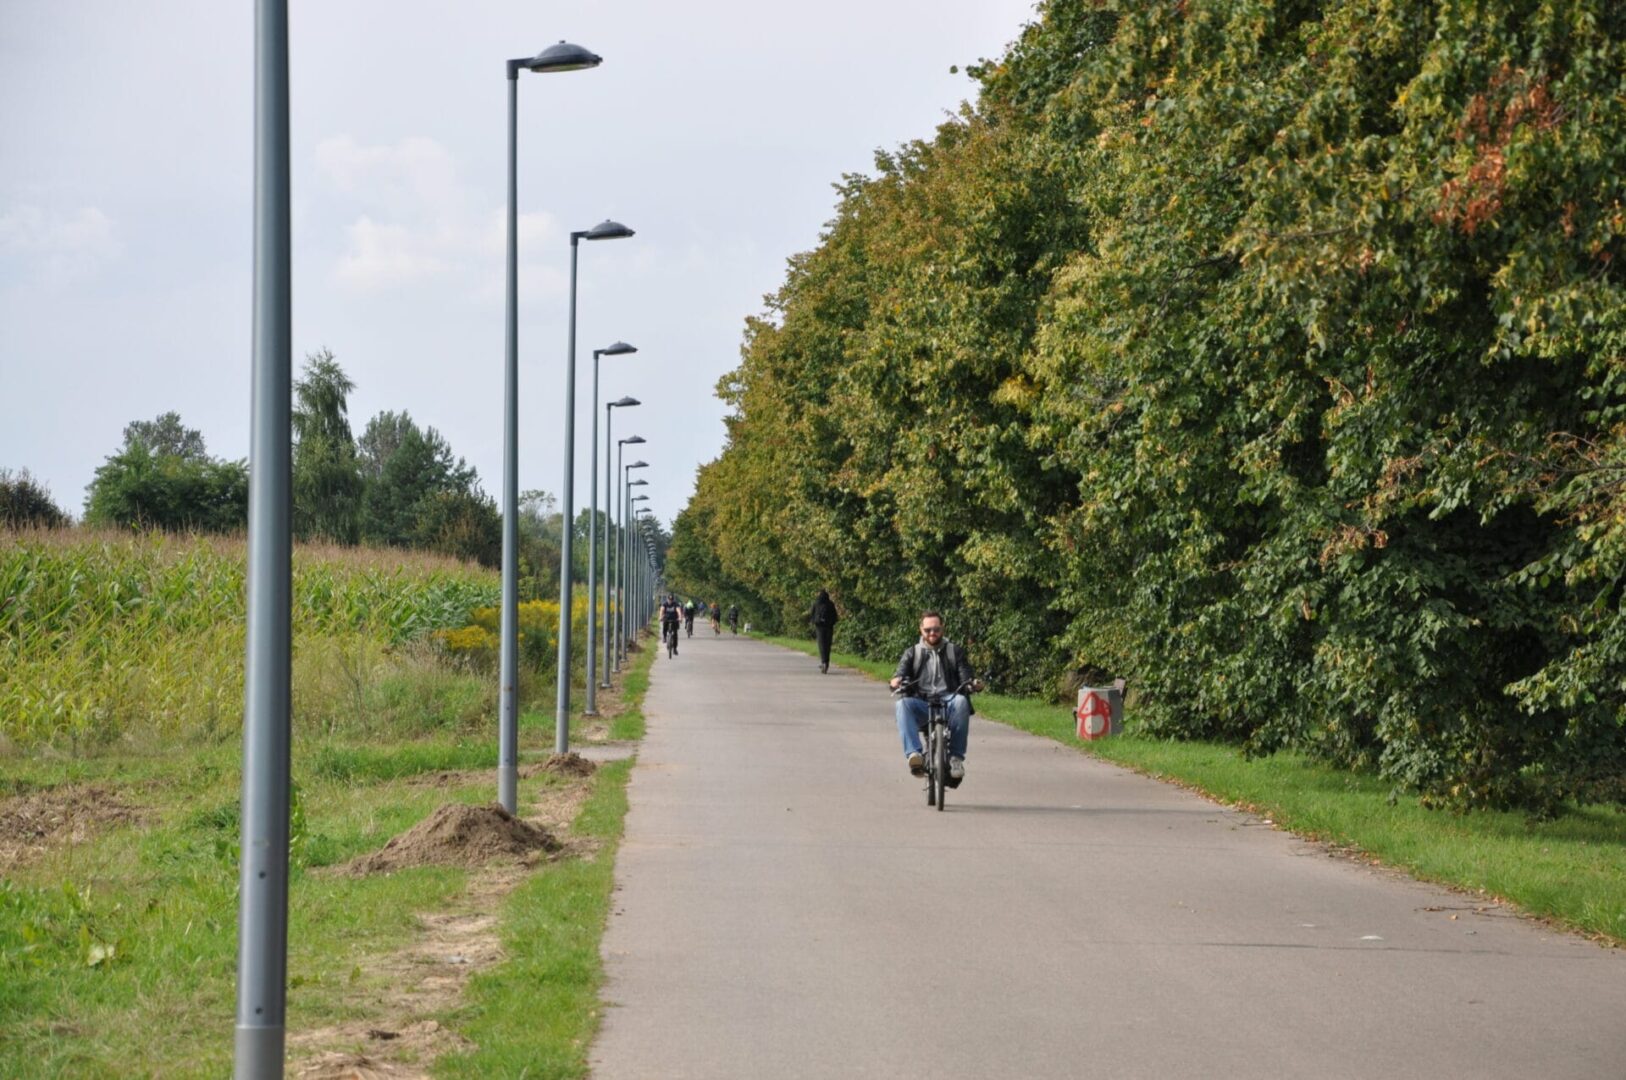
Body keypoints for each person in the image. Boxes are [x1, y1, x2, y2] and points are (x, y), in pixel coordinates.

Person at [888, 611, 978, 783]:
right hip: (922, 703)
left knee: (961, 701)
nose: (932, 633)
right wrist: (896, 681)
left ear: (942, 628)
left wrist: (972, 683)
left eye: (936, 629)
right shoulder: (912, 653)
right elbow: (900, 674)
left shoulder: (954, 651)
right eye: (928, 629)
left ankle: (956, 759)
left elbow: (965, 674)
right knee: (902, 705)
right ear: (921, 630)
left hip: (949, 702)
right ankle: (914, 755)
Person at [809, 589, 838, 673]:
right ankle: (827, 663)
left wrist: (815, 622)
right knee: (828, 645)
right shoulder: (830, 604)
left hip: (819, 627)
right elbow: (835, 617)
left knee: (821, 645)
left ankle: (823, 662)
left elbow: (812, 615)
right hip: (829, 627)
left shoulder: (816, 603)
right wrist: (831, 623)